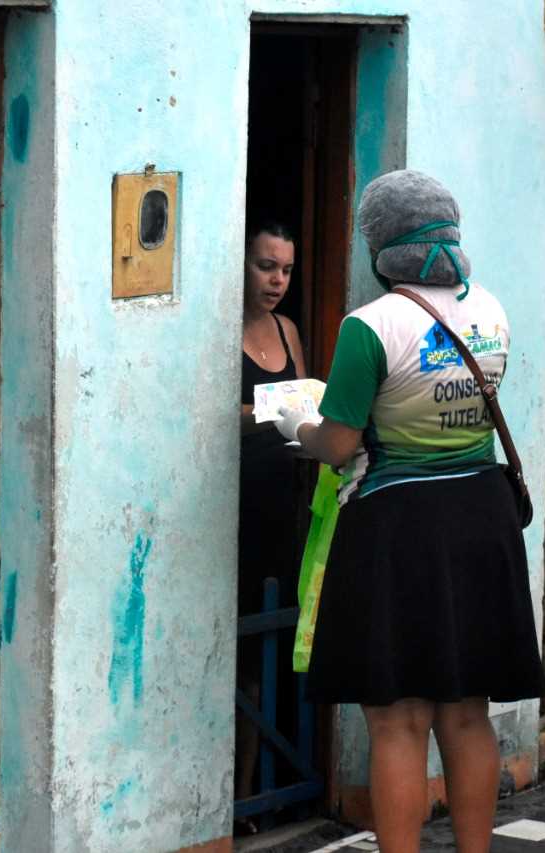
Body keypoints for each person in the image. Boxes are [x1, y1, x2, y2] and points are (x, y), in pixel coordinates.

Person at [276, 171, 545, 853]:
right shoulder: (491, 311)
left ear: (379, 243)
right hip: (481, 517)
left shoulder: (369, 326)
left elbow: (340, 443)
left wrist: (299, 427)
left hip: (399, 529)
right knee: (466, 712)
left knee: (398, 720)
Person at [236, 221, 307, 816]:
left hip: (285, 506)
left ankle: (265, 791)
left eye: (285, 269)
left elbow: (303, 408)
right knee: (241, 657)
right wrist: (274, 407)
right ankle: (238, 799)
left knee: (279, 646)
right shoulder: (221, 331)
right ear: (241, 263)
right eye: (266, 266)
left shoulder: (288, 330)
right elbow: (216, 410)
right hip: (236, 510)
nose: (277, 280)